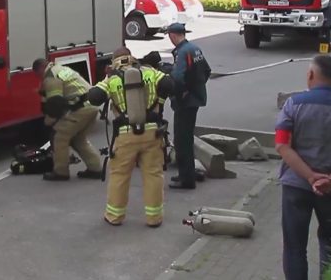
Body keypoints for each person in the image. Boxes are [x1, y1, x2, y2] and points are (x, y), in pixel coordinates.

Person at [87, 47, 174, 227]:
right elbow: (169, 85)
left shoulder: (112, 79)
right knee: (153, 174)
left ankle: (114, 216)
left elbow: (94, 97)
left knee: (119, 175)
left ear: (115, 60)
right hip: (152, 133)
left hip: (125, 136)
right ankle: (154, 218)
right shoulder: (149, 72)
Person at [275, 55, 331, 280]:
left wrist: (309, 177)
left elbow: (281, 145)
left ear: (310, 75)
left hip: (295, 186)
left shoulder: (293, 104)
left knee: (294, 247)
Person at [32, 58, 102, 181]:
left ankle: (61, 172)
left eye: (37, 74)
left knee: (59, 136)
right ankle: (95, 169)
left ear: (40, 68)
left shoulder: (51, 77)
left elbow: (55, 104)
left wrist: (49, 121)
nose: (39, 77)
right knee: (78, 139)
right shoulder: (61, 69)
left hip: (81, 108)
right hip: (92, 105)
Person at [165, 23, 211, 190]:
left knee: (181, 140)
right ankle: (186, 174)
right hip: (196, 99)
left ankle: (187, 180)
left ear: (172, 35)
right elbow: (206, 71)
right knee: (187, 138)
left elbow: (177, 79)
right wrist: (195, 89)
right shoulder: (194, 48)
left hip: (185, 103)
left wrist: (178, 95)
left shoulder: (182, 52)